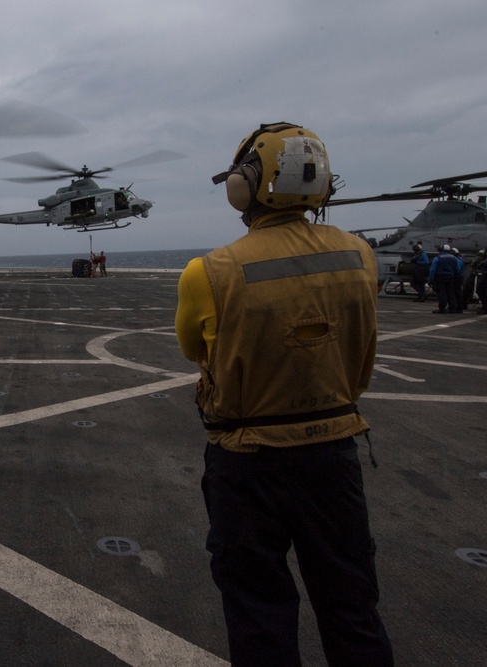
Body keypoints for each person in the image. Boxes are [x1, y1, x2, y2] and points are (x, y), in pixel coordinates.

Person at [175, 123, 393, 666]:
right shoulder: (360, 257)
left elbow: (192, 352)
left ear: (247, 184)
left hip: (247, 462)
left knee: (259, 614)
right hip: (333, 455)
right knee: (352, 608)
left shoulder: (209, 272)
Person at [428, 244, 461, 314]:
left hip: (440, 277)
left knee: (441, 293)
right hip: (451, 277)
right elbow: (457, 269)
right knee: (450, 292)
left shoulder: (438, 258)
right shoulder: (454, 258)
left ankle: (442, 308)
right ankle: (452, 308)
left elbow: (432, 270)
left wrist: (430, 280)